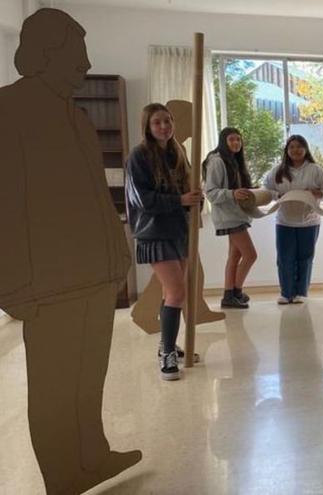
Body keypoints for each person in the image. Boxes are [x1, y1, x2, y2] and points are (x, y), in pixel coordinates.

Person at [0, 8, 142, 493]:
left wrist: (116, 255)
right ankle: (62, 478)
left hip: (94, 274)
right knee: (54, 386)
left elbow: (96, 198)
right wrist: (12, 285)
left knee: (88, 379)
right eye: (77, 53)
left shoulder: (77, 118)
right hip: (48, 282)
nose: (86, 64)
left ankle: (92, 457)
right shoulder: (9, 110)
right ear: (44, 53)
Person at [126, 103, 203, 381]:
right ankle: (167, 353)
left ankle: (167, 344)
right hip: (154, 232)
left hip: (178, 230)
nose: (164, 127)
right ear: (147, 126)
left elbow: (189, 189)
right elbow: (141, 199)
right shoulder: (139, 156)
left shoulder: (178, 153)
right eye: (157, 122)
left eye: (167, 121)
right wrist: (180, 201)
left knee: (171, 294)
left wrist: (194, 199)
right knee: (177, 293)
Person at [263, 135, 323, 304]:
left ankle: (301, 292)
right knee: (285, 258)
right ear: (287, 150)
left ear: (306, 149)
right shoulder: (278, 170)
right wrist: (277, 195)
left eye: (300, 146)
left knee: (305, 258)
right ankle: (286, 293)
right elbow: (265, 190)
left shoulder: (315, 169)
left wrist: (317, 193)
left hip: (309, 221)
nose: (296, 150)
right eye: (292, 147)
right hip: (284, 221)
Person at [203, 127, 257, 308]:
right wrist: (233, 194)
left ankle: (229, 295)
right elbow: (210, 193)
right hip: (229, 216)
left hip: (237, 215)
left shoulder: (233, 160)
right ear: (223, 141)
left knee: (234, 256)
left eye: (238, 140)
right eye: (232, 139)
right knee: (250, 255)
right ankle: (235, 291)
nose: (236, 143)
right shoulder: (217, 161)